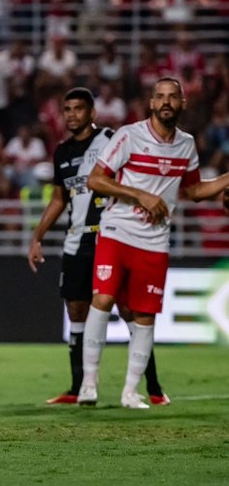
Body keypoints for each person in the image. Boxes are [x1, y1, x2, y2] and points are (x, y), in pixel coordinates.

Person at [79, 77, 229, 408]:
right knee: (102, 300)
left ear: (182, 103)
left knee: (146, 317)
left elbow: (191, 191)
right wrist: (140, 195)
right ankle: (89, 384)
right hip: (117, 231)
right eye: (160, 96)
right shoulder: (129, 136)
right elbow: (96, 180)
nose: (166, 102)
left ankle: (131, 393)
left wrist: (225, 180)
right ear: (151, 103)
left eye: (172, 97)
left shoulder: (186, 144)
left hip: (155, 242)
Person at [28, 87, 168, 406]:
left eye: (79, 109)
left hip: (112, 237)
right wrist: (37, 236)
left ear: (92, 113)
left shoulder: (111, 140)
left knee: (129, 310)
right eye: (67, 109)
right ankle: (79, 388)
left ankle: (155, 388)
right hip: (76, 241)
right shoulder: (62, 152)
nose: (73, 114)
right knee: (76, 312)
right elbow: (59, 198)